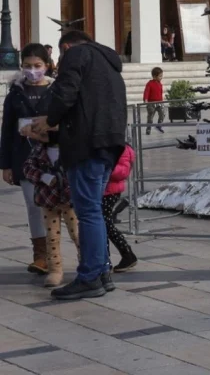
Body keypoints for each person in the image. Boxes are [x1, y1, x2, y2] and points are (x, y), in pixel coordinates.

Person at [32, 30, 128, 300]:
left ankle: (90, 276)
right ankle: (102, 273)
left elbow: (65, 93)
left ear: (65, 47)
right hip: (109, 144)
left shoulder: (77, 55)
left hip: (86, 145)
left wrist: (49, 120)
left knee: (88, 213)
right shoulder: (108, 62)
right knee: (94, 211)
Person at [0, 43, 54, 276]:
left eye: (37, 65)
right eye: (27, 66)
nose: (32, 70)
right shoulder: (16, 93)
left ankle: (57, 253)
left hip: (53, 155)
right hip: (25, 157)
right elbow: (7, 130)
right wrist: (5, 164)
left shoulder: (56, 90)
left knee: (59, 207)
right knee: (33, 205)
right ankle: (40, 255)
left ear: (47, 65)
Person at [21, 133, 79, 288]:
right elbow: (27, 168)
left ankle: (85, 264)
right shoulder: (39, 149)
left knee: (77, 234)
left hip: (68, 199)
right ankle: (55, 270)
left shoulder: (70, 147)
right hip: (47, 199)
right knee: (52, 236)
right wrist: (42, 177)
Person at [103, 145, 137, 273]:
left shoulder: (121, 148)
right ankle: (119, 257)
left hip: (110, 191)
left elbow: (122, 172)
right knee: (104, 224)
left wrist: (104, 167)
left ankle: (125, 255)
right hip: (105, 190)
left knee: (105, 224)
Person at [143, 67, 165, 135]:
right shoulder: (149, 83)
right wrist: (146, 99)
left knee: (162, 114)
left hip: (159, 102)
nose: (161, 77)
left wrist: (162, 101)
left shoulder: (160, 84)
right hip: (151, 103)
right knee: (150, 116)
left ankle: (159, 125)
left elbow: (160, 93)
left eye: (162, 76)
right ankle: (148, 129)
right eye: (160, 76)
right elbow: (146, 92)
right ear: (154, 76)